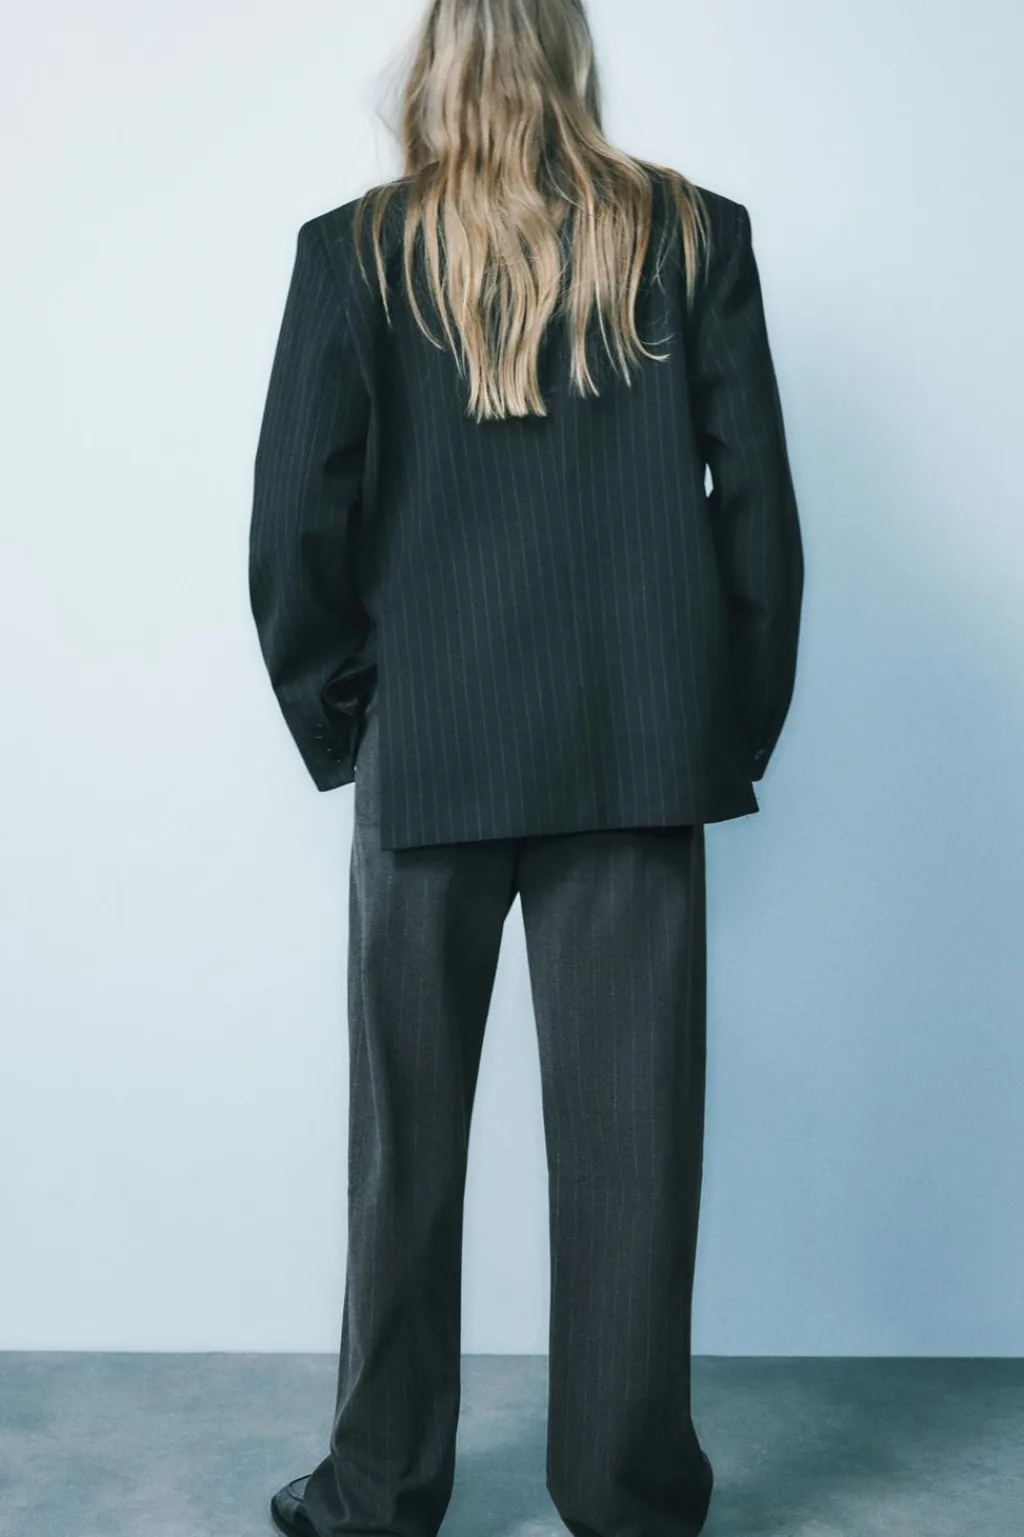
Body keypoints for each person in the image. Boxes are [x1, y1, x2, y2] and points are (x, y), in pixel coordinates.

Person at [248, 2, 804, 1534]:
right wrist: (722, 729)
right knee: (636, 1151)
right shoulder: (691, 235)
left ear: (437, 62)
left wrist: (349, 721)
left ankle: (377, 1493)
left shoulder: (359, 253)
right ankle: (626, 1494)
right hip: (634, 753)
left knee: (402, 1154)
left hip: (430, 752)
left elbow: (294, 524)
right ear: (572, 56)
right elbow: (760, 512)